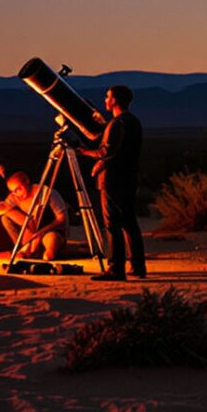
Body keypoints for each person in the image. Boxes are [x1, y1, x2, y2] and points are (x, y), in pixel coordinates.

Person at [86, 85, 145, 280]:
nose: (105, 100)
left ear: (115, 100)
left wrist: (84, 152)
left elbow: (107, 152)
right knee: (129, 223)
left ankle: (115, 268)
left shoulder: (118, 123)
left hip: (113, 180)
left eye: (107, 96)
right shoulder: (133, 122)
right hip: (129, 178)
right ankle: (137, 266)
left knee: (112, 224)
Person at [0, 169, 68, 261]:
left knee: (49, 251)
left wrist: (42, 231)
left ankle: (47, 251)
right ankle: (21, 248)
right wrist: (11, 212)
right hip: (31, 232)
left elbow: (62, 219)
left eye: (19, 189)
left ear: (27, 182)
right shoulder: (15, 196)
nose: (17, 193)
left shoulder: (46, 193)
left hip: (49, 232)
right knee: (5, 217)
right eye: (13, 191)